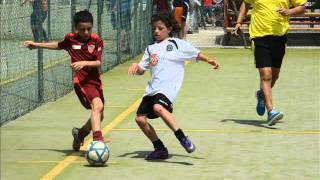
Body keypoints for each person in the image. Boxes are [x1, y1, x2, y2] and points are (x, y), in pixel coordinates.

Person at [127, 12, 221, 160]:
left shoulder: (177, 44)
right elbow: (141, 70)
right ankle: (160, 148)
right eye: (154, 29)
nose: (156, 31)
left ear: (169, 29)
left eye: (160, 28)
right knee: (140, 119)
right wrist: (135, 66)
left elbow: (195, 54)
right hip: (151, 90)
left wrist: (209, 60)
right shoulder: (150, 49)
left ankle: (182, 138)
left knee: (158, 108)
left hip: (168, 90)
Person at [24, 10, 110, 151]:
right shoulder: (70, 39)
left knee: (99, 116)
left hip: (95, 82)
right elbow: (58, 45)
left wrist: (83, 63)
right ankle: (98, 142)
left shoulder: (97, 40)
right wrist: (37, 45)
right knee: (98, 106)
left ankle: (80, 134)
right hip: (81, 81)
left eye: (89, 29)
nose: (86, 32)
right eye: (82, 30)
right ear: (76, 28)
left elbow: (98, 62)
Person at [234, 0, 306, 126]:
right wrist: (239, 22)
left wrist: (289, 11)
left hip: (280, 36)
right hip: (259, 36)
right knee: (266, 75)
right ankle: (271, 111)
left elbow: (302, 8)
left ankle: (261, 94)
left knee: (275, 75)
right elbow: (245, 4)